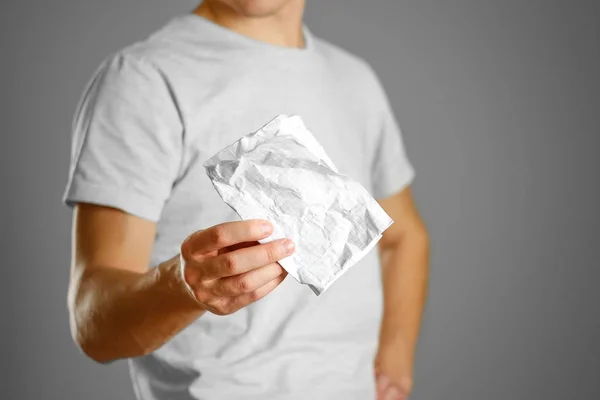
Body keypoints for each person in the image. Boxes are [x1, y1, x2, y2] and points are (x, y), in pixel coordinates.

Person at [63, 1, 430, 399]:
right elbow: (94, 327)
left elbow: (403, 236)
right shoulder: (143, 78)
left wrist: (394, 365)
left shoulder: (355, 80)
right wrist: (183, 286)